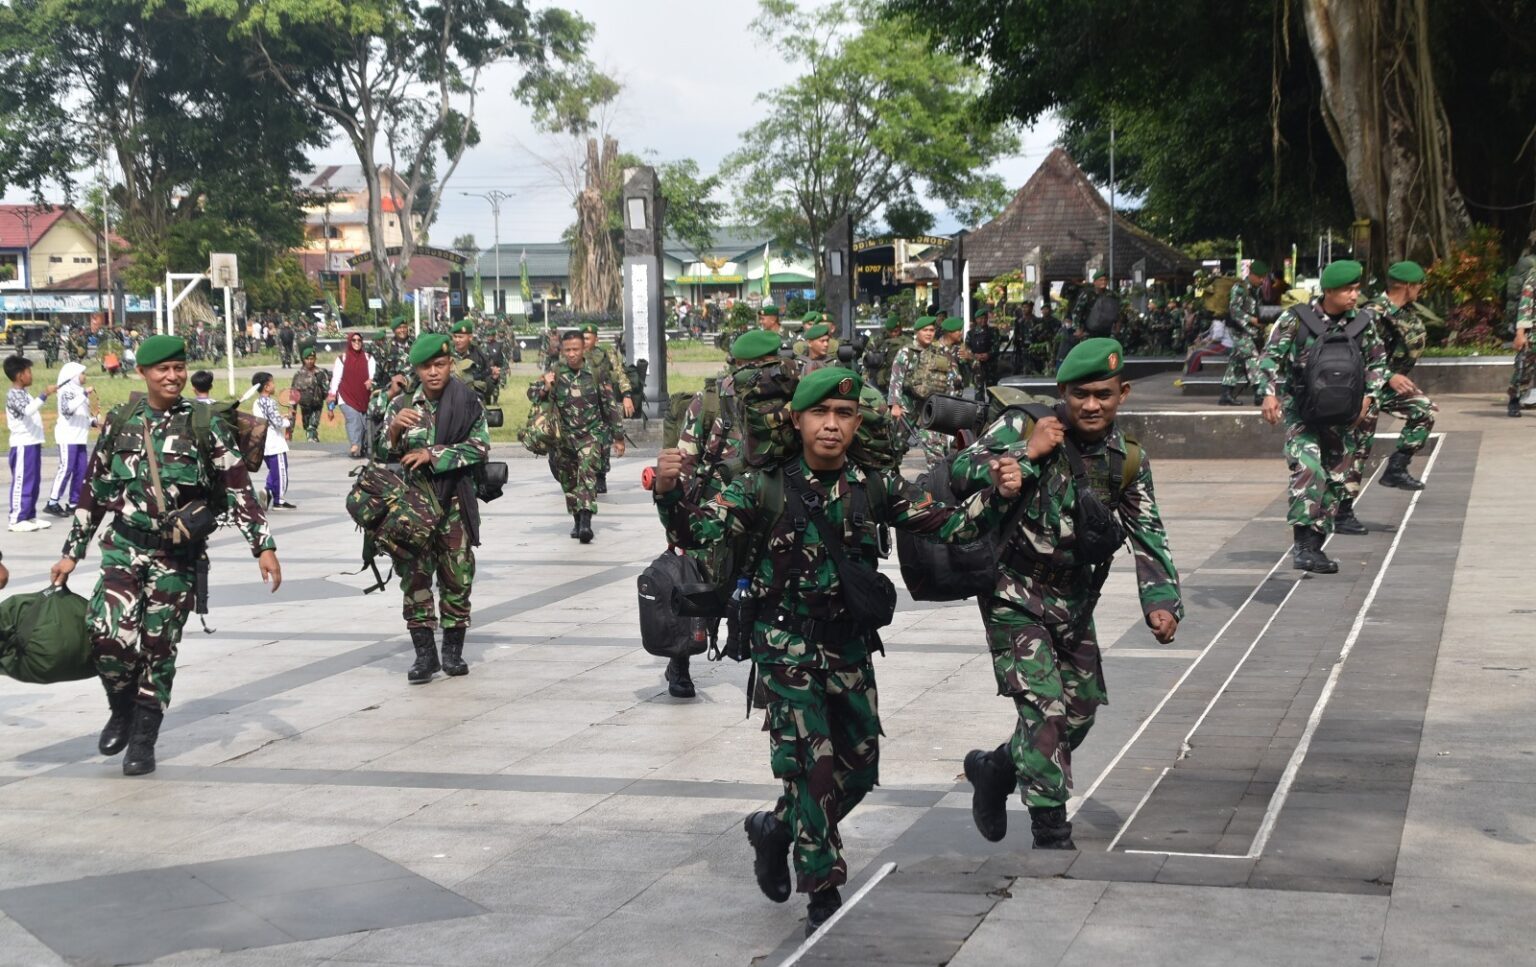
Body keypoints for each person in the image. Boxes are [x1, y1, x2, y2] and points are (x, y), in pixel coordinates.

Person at [652, 367, 1025, 936]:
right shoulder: (762, 486)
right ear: (798, 420)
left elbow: (952, 526)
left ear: (856, 422)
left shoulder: (872, 485)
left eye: (844, 415)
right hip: (784, 648)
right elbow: (699, 533)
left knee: (860, 767)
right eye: (820, 414)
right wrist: (669, 492)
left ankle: (775, 830)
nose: (832, 425)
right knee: (810, 770)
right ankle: (823, 889)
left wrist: (999, 497)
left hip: (848, 647)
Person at [954, 338, 1182, 850]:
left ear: (1122, 393)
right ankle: (1050, 827)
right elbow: (962, 471)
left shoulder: (1127, 459)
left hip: (1075, 603)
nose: (1092, 405)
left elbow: (1149, 531)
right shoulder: (1021, 424)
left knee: (1080, 712)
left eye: (1103, 394)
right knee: (1046, 711)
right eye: (1081, 394)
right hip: (1013, 594)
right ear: (1063, 393)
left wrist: (1160, 601)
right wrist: (1025, 453)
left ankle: (994, 768)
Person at [50, 335, 281, 776]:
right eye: (162, 369)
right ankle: (121, 706)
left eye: (178, 367)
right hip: (124, 546)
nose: (172, 376)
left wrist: (263, 545)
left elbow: (237, 487)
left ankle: (143, 738)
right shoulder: (120, 421)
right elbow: (94, 491)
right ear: (144, 373)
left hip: (176, 554)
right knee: (106, 634)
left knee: (159, 646)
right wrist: (71, 554)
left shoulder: (202, 424)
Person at [1256, 260, 1391, 574]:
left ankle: (1314, 548)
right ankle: (1302, 547)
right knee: (1309, 468)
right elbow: (1270, 358)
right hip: (1303, 411)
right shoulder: (1296, 319)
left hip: (1344, 415)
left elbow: (1378, 363)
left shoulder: (1363, 324)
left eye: (1357, 289)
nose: (1354, 295)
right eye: (1348, 289)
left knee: (1335, 479)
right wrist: (1270, 392)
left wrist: (1368, 398)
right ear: (1329, 291)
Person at [376, 333, 491, 683]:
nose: (434, 373)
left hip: (454, 503)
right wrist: (394, 430)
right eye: (426, 367)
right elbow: (382, 453)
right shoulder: (401, 406)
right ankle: (424, 655)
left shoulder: (467, 401)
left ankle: (453, 652)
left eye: (440, 365)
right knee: (415, 578)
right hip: (413, 508)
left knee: (458, 578)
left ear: (449, 364)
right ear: (417, 369)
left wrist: (434, 454)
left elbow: (479, 447)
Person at [1347, 261, 1437, 497]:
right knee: (1359, 447)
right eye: (1418, 285)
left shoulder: (1405, 312)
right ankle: (1343, 510)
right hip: (1364, 388)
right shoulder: (1372, 314)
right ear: (1407, 286)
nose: (1420, 289)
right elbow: (1354, 354)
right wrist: (1389, 376)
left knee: (1423, 410)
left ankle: (1396, 468)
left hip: (1386, 388)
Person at [529, 330, 623, 543]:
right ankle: (577, 518)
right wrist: (545, 386)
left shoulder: (596, 373)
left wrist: (618, 437)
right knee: (569, 481)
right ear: (562, 350)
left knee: (587, 476)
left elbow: (609, 405)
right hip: (563, 439)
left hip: (590, 435)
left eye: (576, 350)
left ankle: (587, 523)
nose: (571, 354)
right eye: (567, 350)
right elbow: (532, 395)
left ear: (584, 349)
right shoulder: (555, 371)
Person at [580, 323, 635, 494]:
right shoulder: (576, 355)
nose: (585, 341)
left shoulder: (606, 354)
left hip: (602, 405)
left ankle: (601, 475)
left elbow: (619, 374)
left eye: (588, 338)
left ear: (596, 338)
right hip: (580, 408)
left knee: (603, 443)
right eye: (583, 338)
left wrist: (626, 395)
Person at [44, 362, 97, 518]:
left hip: (80, 436)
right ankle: (52, 502)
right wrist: (84, 395)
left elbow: (82, 417)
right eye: (82, 373)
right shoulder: (65, 391)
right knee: (66, 468)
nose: (84, 376)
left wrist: (94, 422)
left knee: (81, 470)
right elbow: (68, 410)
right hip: (67, 436)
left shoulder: (79, 392)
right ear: (73, 376)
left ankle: (74, 502)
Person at [7, 355, 51, 533]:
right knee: (22, 481)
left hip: (32, 442)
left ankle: (29, 515)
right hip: (22, 443)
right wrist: (44, 394)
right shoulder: (13, 395)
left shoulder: (24, 393)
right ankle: (16, 518)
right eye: (28, 371)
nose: (31, 375)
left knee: (33, 481)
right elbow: (27, 411)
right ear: (19, 375)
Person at [1220, 261, 1268, 406]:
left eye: (1263, 278)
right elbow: (1234, 311)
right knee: (1252, 356)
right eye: (1260, 277)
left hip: (1249, 330)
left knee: (1236, 362)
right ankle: (1259, 392)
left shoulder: (1256, 290)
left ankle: (1225, 394)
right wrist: (1252, 320)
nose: (1262, 280)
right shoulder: (1239, 288)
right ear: (1251, 274)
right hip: (1238, 329)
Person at [328, 330, 377, 458]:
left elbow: (373, 375)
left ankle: (362, 447)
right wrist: (332, 395)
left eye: (359, 340)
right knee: (353, 419)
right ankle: (355, 444)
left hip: (364, 397)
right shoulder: (342, 359)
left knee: (364, 423)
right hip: (346, 396)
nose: (357, 343)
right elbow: (336, 378)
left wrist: (371, 381)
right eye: (354, 340)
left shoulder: (369, 358)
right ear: (349, 342)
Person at [252, 372, 297, 510]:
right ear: (266, 386)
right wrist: (288, 420)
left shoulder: (257, 402)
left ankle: (268, 491)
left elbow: (267, 418)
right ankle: (279, 500)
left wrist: (280, 416)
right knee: (281, 472)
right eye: (272, 383)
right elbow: (277, 423)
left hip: (263, 444)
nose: (274, 385)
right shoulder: (270, 402)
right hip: (275, 443)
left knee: (274, 471)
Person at [1509, 260, 1536, 418]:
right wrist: (1520, 333)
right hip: (1533, 334)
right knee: (1523, 370)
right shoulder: (1533, 277)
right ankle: (1514, 400)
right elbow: (1526, 304)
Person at [450, 319, 498, 403]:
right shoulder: (447, 355)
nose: (457, 340)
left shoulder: (479, 356)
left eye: (460, 337)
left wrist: (493, 379)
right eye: (455, 336)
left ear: (470, 337)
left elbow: (487, 389)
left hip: (473, 403)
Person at [290, 346, 330, 442]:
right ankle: (315, 442)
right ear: (303, 360)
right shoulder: (298, 374)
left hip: (316, 406)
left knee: (311, 429)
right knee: (307, 428)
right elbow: (293, 394)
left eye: (312, 359)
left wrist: (330, 408)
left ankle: (313, 444)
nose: (309, 361)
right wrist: (292, 409)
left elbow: (327, 391)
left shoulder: (320, 373)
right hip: (304, 407)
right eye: (307, 359)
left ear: (315, 359)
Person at [966, 308, 997, 387]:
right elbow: (967, 347)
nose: (983, 320)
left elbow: (996, 346)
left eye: (985, 318)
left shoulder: (993, 331)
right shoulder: (970, 333)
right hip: (977, 365)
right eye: (981, 318)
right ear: (976, 319)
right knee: (978, 392)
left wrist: (988, 354)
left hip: (990, 365)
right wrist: (974, 355)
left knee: (992, 390)